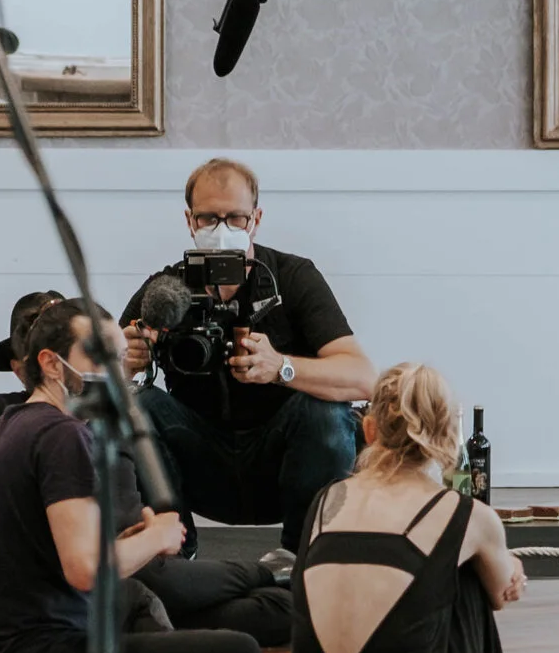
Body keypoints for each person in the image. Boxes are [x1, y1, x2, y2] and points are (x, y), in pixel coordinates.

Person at [0, 290, 292, 649]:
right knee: (242, 611)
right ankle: (270, 572)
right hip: (101, 582)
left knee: (272, 610)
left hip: (135, 565)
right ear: (29, 362)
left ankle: (277, 583)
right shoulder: (11, 423)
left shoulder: (105, 412)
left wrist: (144, 537)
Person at [0, 302, 265, 653]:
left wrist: (132, 540)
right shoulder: (61, 435)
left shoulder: (0, 426)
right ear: (51, 364)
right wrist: (158, 536)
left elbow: (38, 548)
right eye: (100, 356)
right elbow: (84, 571)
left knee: (133, 597)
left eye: (118, 357)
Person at [281, 362, 530, 653]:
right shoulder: (469, 515)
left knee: (449, 552)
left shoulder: (326, 500)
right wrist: (510, 565)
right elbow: (502, 594)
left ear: (369, 430)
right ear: (446, 435)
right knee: (467, 565)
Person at [122, 156, 375, 548]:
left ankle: (305, 555)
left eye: (236, 218)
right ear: (190, 221)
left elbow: (363, 378)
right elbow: (92, 378)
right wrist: (126, 362)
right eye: (208, 218)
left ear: (255, 219)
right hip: (200, 459)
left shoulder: (292, 277)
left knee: (324, 409)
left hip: (286, 459)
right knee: (133, 406)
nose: (222, 229)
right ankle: (170, 553)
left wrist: (281, 368)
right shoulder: (167, 289)